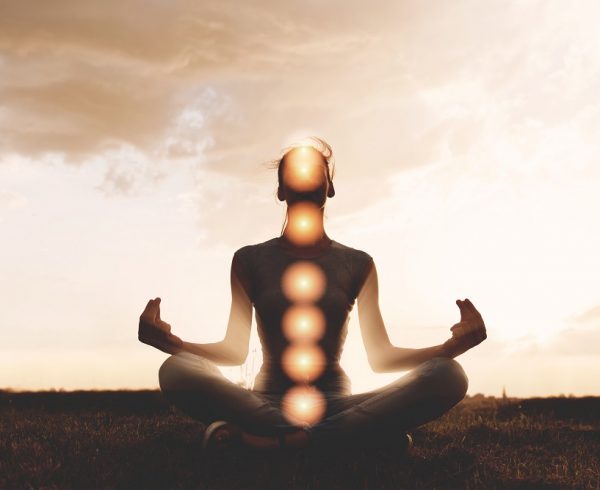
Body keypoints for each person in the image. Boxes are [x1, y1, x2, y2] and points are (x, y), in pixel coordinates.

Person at [138, 137, 487, 453]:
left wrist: (449, 350)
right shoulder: (249, 260)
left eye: (314, 169)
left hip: (339, 403)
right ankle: (355, 438)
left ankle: (284, 442)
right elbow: (233, 351)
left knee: (449, 375)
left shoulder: (358, 263)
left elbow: (381, 358)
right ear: (280, 190)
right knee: (176, 369)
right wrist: (171, 343)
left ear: (330, 186)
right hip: (266, 405)